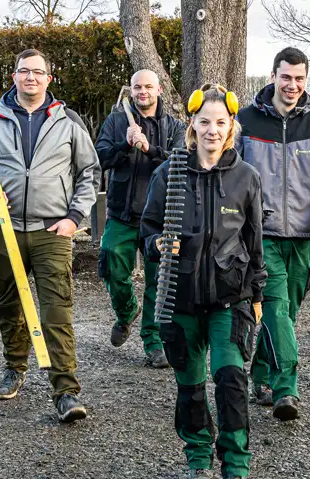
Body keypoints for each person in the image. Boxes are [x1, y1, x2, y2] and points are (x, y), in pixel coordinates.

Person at [0, 49, 99, 423]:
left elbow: (89, 172)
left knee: (56, 310)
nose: (30, 77)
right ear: (14, 77)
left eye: (37, 71)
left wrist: (74, 217)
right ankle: (14, 367)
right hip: (5, 228)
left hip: (53, 230)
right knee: (8, 303)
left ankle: (66, 391)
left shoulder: (68, 121)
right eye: (23, 71)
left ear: (49, 78)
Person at [142, 84, 266, 479]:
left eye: (220, 122)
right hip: (180, 297)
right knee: (191, 385)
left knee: (231, 379)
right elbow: (147, 229)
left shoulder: (247, 177)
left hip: (231, 298)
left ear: (231, 127)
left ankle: (236, 467)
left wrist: (257, 295)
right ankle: (198, 459)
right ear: (192, 125)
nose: (212, 130)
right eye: (204, 122)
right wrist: (157, 244)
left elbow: (255, 242)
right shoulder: (169, 174)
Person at [236, 47, 310, 420]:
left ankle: (261, 375)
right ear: (273, 77)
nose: (292, 85)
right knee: (276, 307)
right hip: (260, 234)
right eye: (286, 77)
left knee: (284, 313)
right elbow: (231, 175)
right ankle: (286, 389)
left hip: (303, 235)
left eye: (299, 78)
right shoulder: (246, 121)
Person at [95, 69, 185, 368]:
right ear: (130, 90)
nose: (142, 91)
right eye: (137, 87)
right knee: (111, 266)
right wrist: (125, 145)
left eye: (148, 86)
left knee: (158, 282)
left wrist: (149, 149)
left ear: (159, 90)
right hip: (121, 213)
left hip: (160, 219)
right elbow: (100, 157)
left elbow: (180, 163)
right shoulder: (116, 121)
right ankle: (126, 312)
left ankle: (154, 342)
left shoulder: (174, 127)